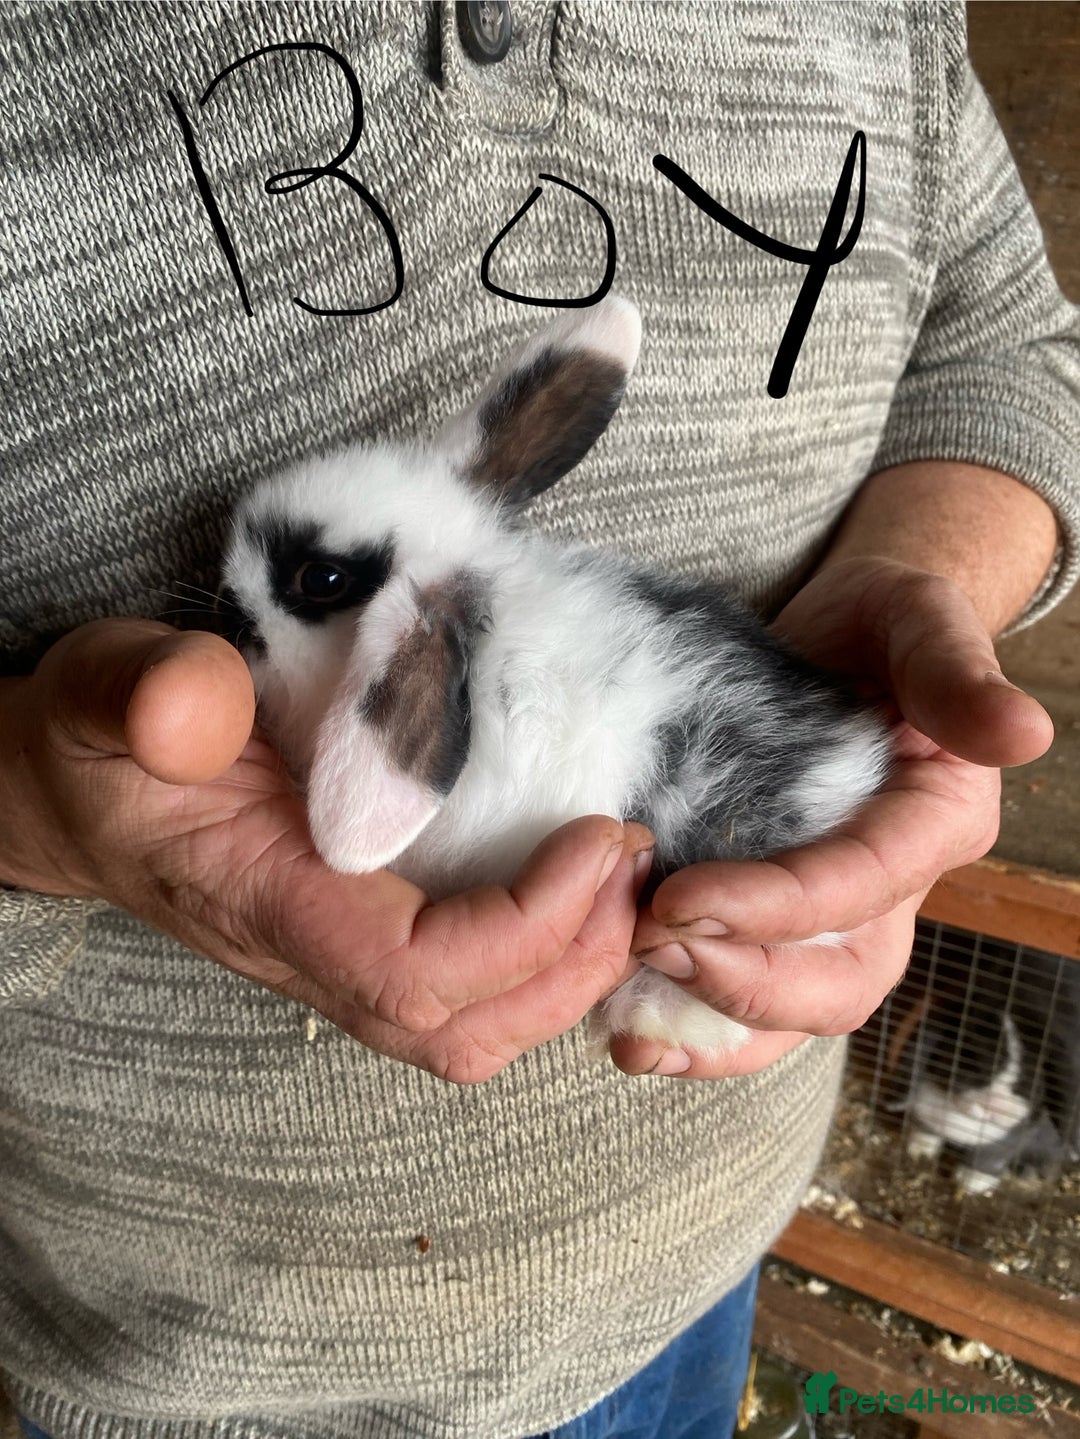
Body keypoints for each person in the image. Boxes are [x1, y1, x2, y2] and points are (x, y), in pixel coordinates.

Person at [0, 3, 1076, 1436]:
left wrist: (929, 573)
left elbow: (1003, 335)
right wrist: (29, 806)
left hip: (696, 1259)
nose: (236, 630)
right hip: (201, 1369)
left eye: (293, 598)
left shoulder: (425, 655)